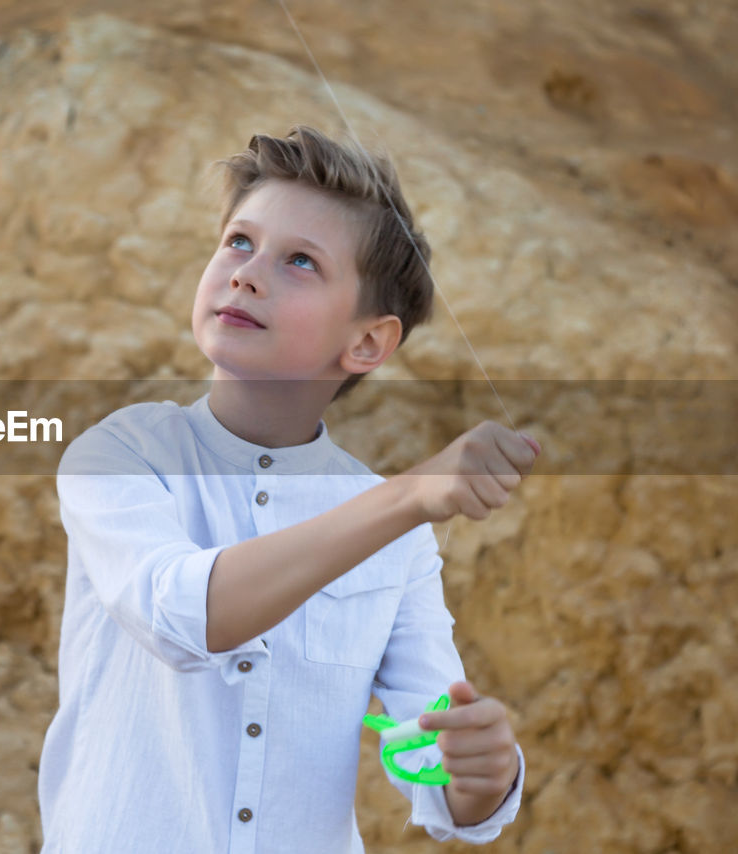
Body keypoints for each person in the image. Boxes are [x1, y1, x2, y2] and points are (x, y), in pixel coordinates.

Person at [38, 126, 539, 853]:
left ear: (367, 343)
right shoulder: (119, 454)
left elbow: (429, 755)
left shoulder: (396, 530)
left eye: (300, 261)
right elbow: (189, 615)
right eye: (239, 242)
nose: (246, 273)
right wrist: (406, 497)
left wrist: (482, 773)